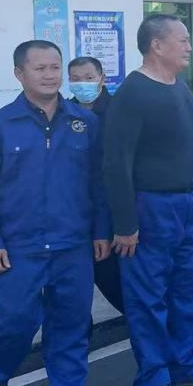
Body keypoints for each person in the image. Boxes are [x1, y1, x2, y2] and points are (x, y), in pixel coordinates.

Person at [0, 40, 107, 386]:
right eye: (40, 68)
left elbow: (98, 183)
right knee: (14, 322)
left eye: (55, 67)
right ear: (19, 74)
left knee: (72, 324)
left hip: (72, 244)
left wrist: (101, 230)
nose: (49, 75)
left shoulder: (84, 123)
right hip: (20, 247)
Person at [104, 15, 193, 386]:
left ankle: (187, 367)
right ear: (156, 46)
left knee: (185, 291)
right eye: (182, 39)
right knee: (148, 299)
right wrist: (125, 223)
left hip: (185, 204)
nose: (189, 46)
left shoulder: (179, 87)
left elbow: (188, 145)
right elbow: (116, 163)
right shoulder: (133, 93)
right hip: (150, 208)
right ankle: (154, 380)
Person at [68, 55, 122, 316]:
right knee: (72, 299)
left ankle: (153, 334)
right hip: (73, 218)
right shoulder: (63, 114)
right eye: (76, 79)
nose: (83, 84)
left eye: (89, 78)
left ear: (102, 79)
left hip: (113, 215)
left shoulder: (119, 112)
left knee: (120, 287)